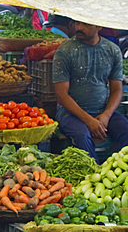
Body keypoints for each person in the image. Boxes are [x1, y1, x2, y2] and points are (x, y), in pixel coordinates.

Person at [52, 19, 128, 162]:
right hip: (70, 113)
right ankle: (93, 175)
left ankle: (112, 169)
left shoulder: (112, 50)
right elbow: (61, 95)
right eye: (77, 23)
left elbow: (117, 89)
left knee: (125, 131)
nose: (79, 27)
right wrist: (89, 121)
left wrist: (106, 114)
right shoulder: (64, 51)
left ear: (99, 25)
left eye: (85, 24)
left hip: (102, 111)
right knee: (81, 135)